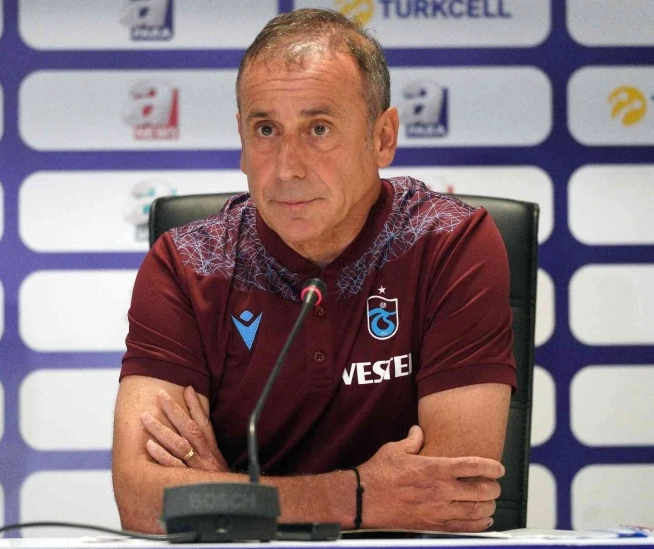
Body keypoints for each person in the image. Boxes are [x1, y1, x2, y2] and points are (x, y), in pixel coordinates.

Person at [112, 8, 515, 534]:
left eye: (318, 129)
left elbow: (451, 497)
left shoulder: (449, 243)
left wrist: (228, 493)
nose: (287, 168)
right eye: (265, 130)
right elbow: (144, 502)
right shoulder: (188, 264)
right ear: (241, 140)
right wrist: (358, 495)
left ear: (382, 137)